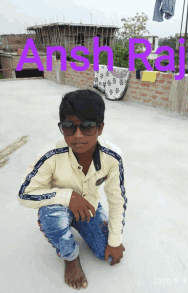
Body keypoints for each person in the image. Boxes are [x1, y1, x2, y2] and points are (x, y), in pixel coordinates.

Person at [17, 89, 127, 290]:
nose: (77, 136)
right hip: (58, 206)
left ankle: (80, 223)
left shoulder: (112, 158)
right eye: (69, 127)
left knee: (106, 252)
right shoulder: (51, 156)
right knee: (52, 217)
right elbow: (24, 194)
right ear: (61, 127)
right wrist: (68, 197)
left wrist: (115, 240)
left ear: (100, 128)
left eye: (87, 127)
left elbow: (117, 199)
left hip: (88, 205)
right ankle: (70, 256)